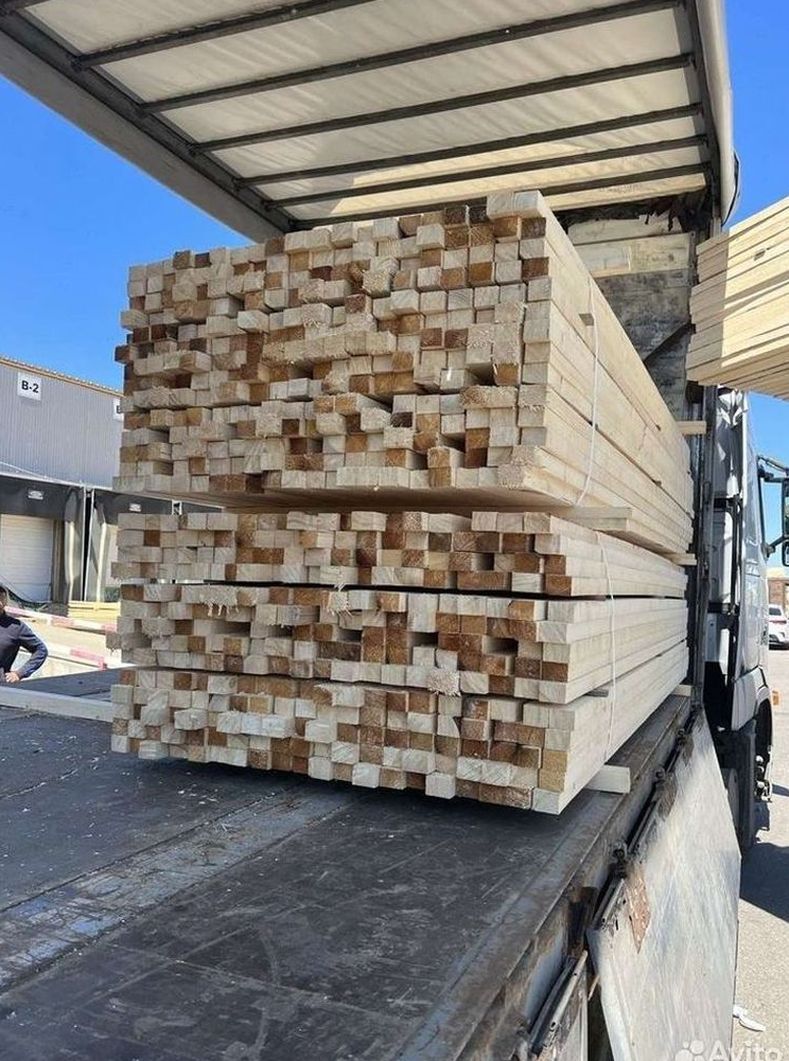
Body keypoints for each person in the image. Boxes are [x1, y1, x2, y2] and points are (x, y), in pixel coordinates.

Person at [0, 585, 48, 683]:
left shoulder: (16, 627)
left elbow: (41, 650)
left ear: (5, 602)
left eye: (2, 598)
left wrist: (20, 673)